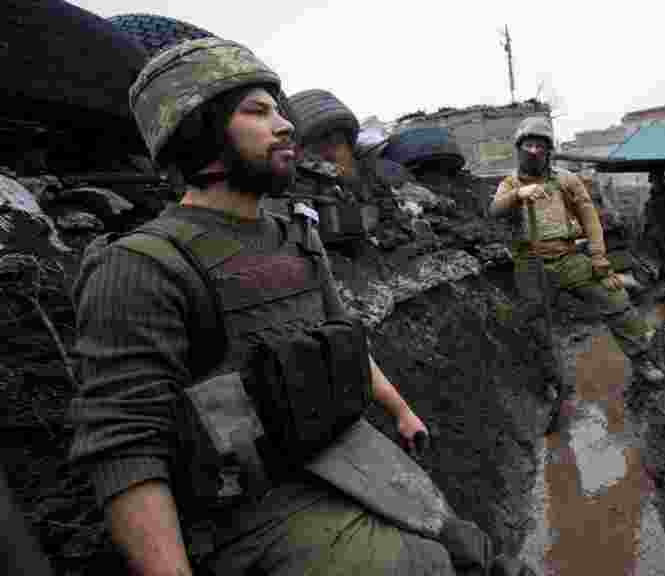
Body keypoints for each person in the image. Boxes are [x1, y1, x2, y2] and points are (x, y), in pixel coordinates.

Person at [68, 38, 526, 576]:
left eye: (279, 110)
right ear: (200, 132)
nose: (285, 125)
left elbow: (343, 333)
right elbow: (123, 446)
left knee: (473, 550)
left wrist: (399, 409)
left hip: (354, 454)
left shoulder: (298, 234)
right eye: (257, 112)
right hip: (257, 507)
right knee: (419, 565)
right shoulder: (141, 265)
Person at [489, 116, 665, 384]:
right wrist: (518, 196)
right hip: (530, 264)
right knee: (535, 324)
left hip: (568, 257)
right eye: (528, 145)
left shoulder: (566, 180)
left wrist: (597, 255)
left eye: (540, 146)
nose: (534, 151)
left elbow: (589, 218)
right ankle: (549, 381)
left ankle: (642, 359)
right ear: (519, 148)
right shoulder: (511, 184)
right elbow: (495, 209)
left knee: (615, 299)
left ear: (549, 150)